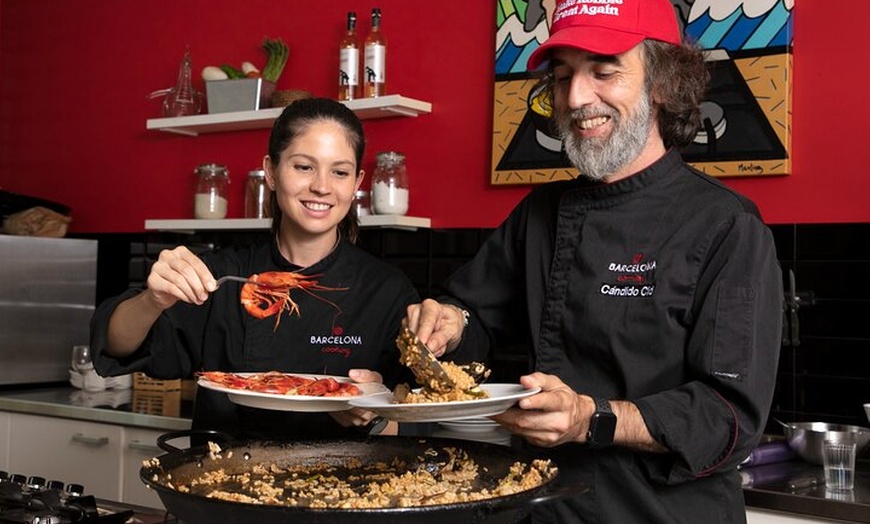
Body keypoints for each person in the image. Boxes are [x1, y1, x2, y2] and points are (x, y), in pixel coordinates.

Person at [405, 1, 783, 522]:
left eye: (604, 72)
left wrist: (592, 418)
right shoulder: (540, 212)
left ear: (663, 83)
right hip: (541, 507)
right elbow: (475, 319)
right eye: (563, 77)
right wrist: (447, 323)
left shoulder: (726, 226)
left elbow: (729, 417)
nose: (577, 98)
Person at [90, 97, 418, 440]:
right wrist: (152, 300)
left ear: (356, 183)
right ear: (271, 172)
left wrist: (374, 415)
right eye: (303, 166)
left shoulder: (387, 290)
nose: (322, 186)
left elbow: (416, 419)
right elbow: (117, 346)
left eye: (339, 172)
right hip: (224, 482)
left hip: (345, 488)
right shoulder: (218, 275)